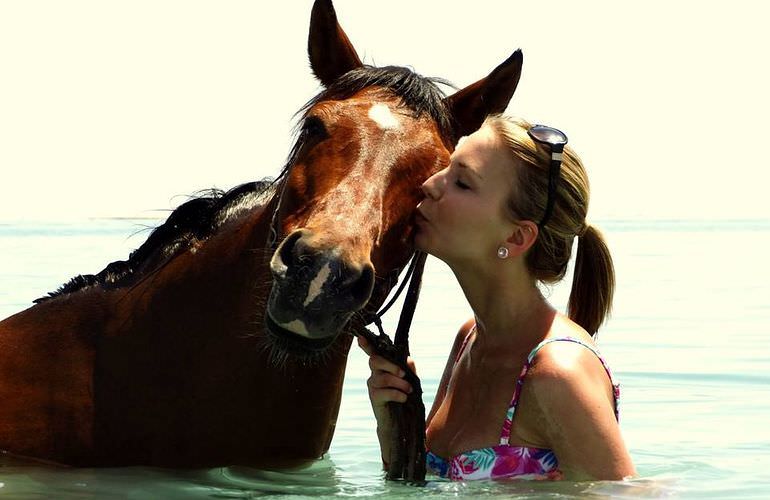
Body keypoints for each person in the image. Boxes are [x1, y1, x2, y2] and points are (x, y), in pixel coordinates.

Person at [358, 114, 636, 481]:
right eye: (447, 169)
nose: (429, 185)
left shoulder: (558, 374)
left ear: (517, 238)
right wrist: (394, 426)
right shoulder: (469, 339)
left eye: (462, 182)